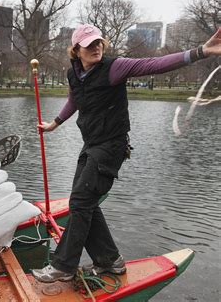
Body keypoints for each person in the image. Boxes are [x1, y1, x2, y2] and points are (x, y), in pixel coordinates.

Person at [31, 24, 221, 283]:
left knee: (80, 202)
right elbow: (75, 99)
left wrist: (201, 51)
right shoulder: (73, 74)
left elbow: (155, 64)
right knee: (85, 202)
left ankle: (62, 266)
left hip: (111, 146)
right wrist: (55, 123)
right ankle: (111, 262)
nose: (97, 47)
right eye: (89, 44)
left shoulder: (114, 68)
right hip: (91, 144)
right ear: (76, 50)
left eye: (99, 42)